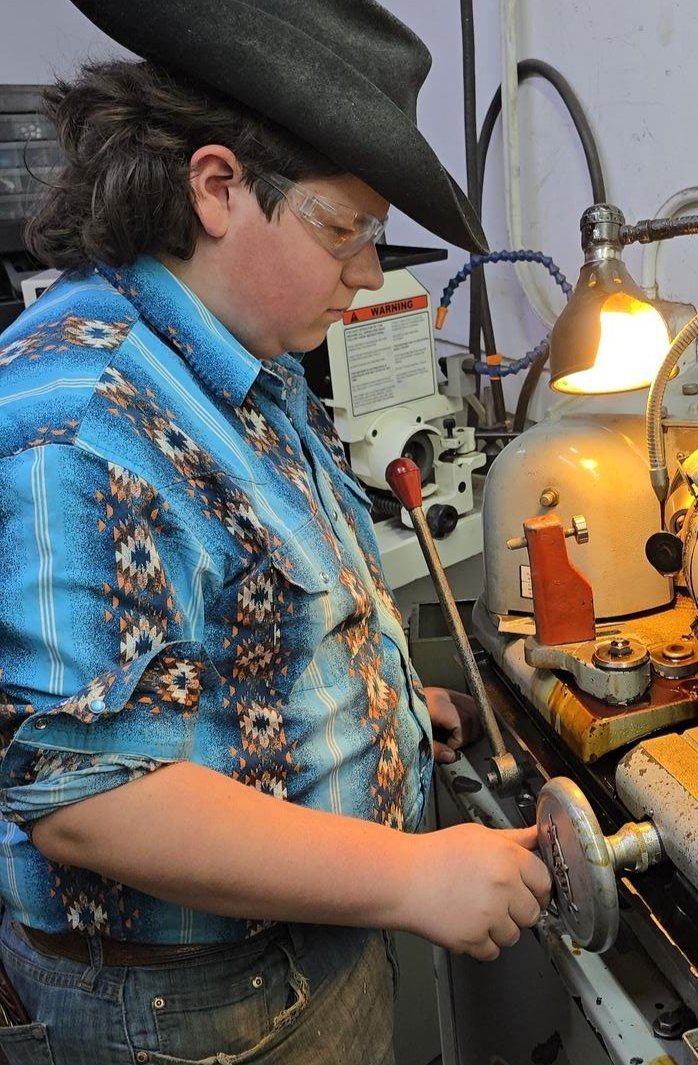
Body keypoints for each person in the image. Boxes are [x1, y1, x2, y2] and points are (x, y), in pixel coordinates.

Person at [0, 2, 551, 1063]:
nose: (365, 273)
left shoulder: (232, 358)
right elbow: (96, 799)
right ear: (217, 188)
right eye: (343, 231)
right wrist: (410, 875)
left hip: (304, 949)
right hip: (203, 1012)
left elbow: (235, 622)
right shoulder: (88, 420)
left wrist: (373, 700)